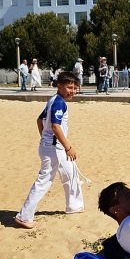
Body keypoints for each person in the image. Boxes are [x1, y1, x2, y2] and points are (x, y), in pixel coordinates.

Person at [15, 72, 84, 229]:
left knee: (71, 173)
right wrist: (68, 147)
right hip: (55, 149)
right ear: (59, 86)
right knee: (44, 181)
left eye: (75, 88)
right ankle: (24, 216)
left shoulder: (53, 100)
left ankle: (74, 206)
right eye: (69, 87)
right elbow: (55, 126)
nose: (73, 91)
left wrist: (45, 138)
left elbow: (39, 120)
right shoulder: (59, 103)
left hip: (51, 146)